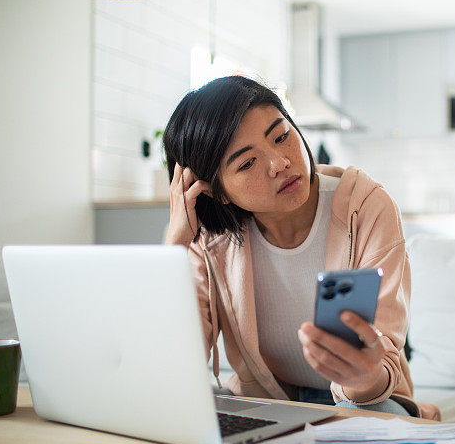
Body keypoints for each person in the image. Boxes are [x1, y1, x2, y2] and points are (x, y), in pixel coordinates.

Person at [162, 75, 440, 421]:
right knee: (188, 413)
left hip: (365, 400)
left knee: (365, 418)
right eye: (247, 163)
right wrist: (175, 244)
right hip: (271, 401)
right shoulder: (210, 240)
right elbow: (175, 361)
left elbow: (383, 354)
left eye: (281, 136)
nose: (280, 162)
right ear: (215, 192)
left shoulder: (366, 207)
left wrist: (363, 376)